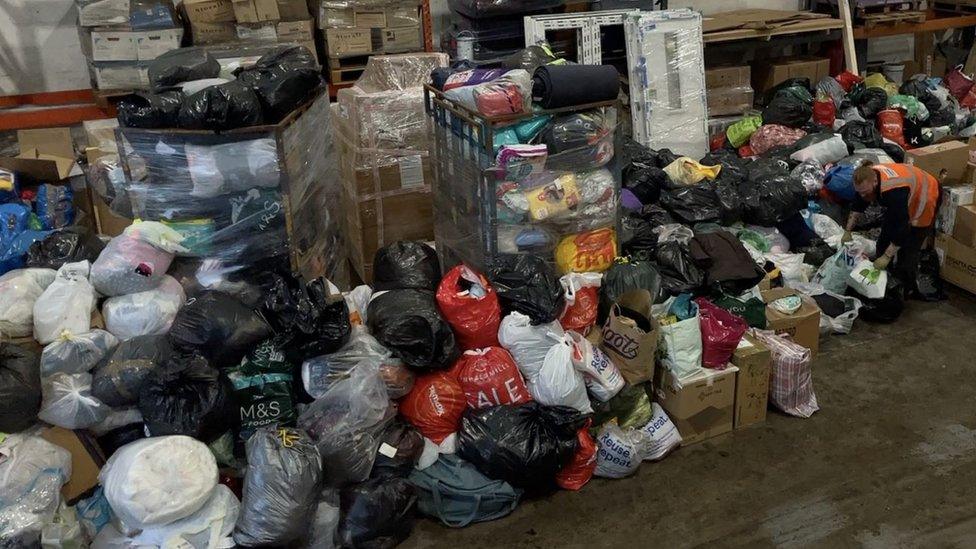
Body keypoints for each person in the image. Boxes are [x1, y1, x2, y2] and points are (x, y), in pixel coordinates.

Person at [842, 162, 941, 297]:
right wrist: (847, 231)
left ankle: (906, 289)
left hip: (926, 194)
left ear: (875, 182)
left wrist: (887, 256)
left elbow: (902, 226)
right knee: (884, 239)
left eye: (866, 193)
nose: (863, 196)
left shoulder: (893, 193)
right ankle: (884, 281)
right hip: (908, 190)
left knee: (909, 248)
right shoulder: (866, 179)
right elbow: (858, 204)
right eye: (860, 192)